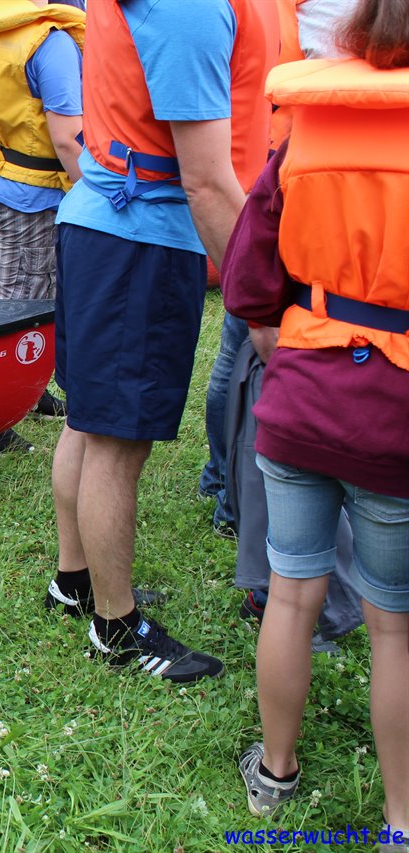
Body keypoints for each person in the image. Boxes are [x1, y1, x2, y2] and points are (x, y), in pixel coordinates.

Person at [43, 0, 276, 682]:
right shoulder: (190, 7)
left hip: (101, 214)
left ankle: (75, 579)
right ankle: (115, 626)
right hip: (137, 235)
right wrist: (261, 308)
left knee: (87, 422)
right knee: (117, 439)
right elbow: (205, 181)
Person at [223, 2, 409, 840]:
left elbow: (249, 277)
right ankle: (403, 818)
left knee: (291, 597)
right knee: (393, 626)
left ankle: (275, 774)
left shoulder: (308, 125)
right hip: (395, 417)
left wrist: (289, 340)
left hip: (298, 394)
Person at [199, 0, 358, 541]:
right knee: (249, 344)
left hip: (291, 159)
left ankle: (225, 482)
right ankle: (231, 488)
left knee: (240, 344)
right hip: (299, 165)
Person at [0, 0, 81, 451]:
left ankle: (29, 389)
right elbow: (67, 138)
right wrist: (91, 194)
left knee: (17, 292)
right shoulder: (53, 43)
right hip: (33, 195)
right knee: (18, 306)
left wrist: (2, 160)